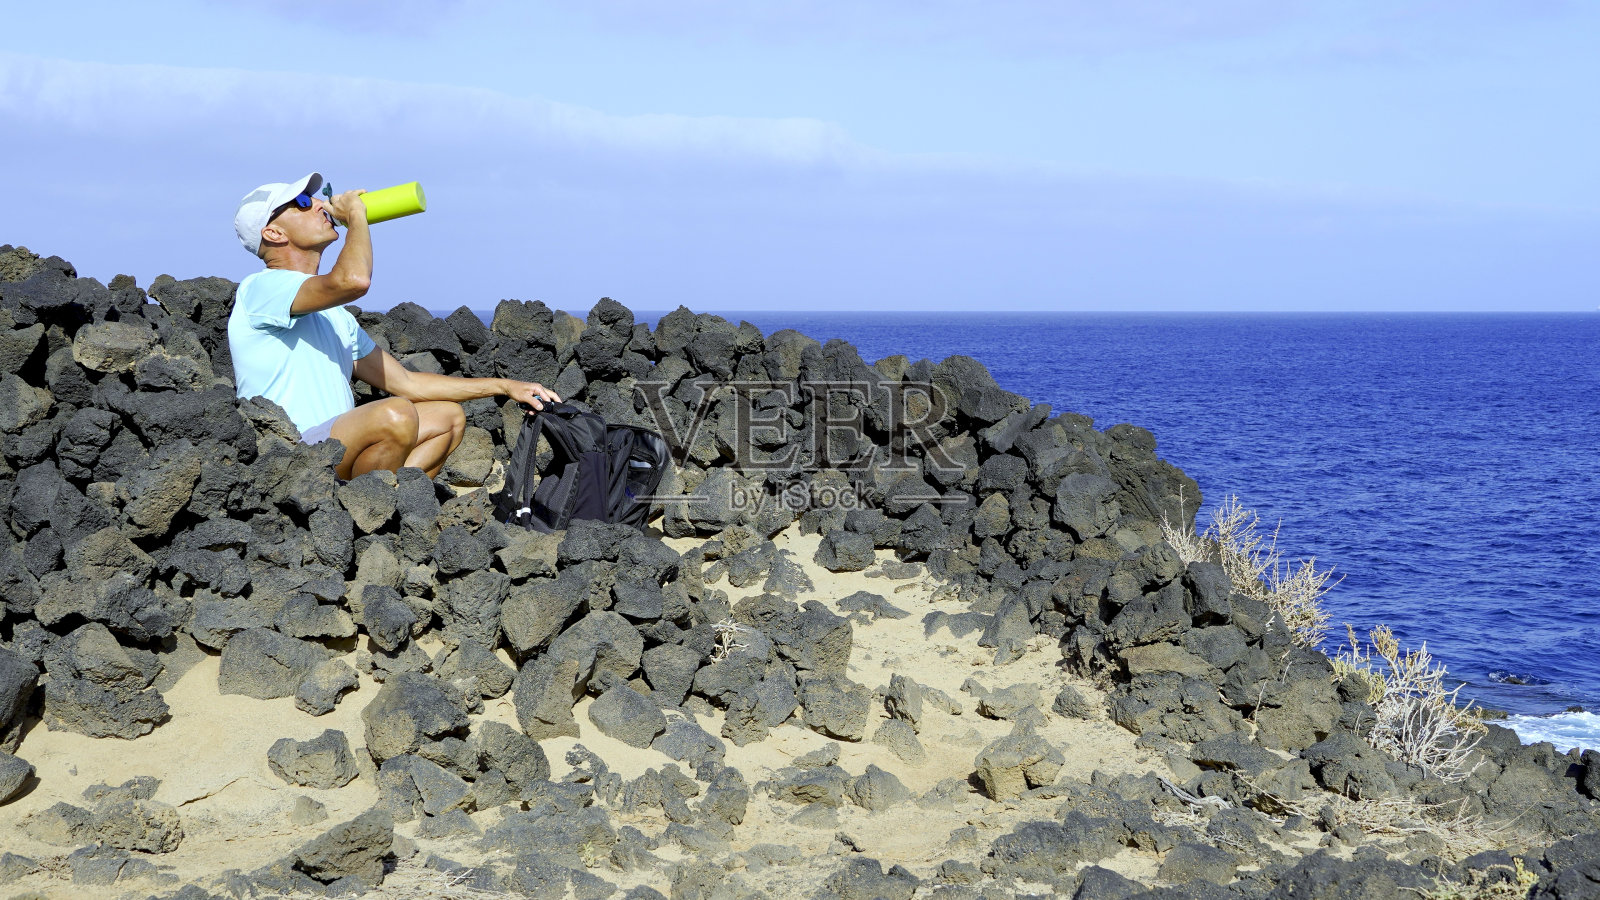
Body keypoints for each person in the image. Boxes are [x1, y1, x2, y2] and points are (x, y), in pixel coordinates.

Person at [229, 172, 559, 480]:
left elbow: (407, 382)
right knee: (396, 414)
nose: (318, 203)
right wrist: (357, 215)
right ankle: (370, 502)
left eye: (315, 197)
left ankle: (384, 502)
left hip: (333, 452)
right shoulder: (261, 289)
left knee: (448, 418)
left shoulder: (334, 316)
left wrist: (506, 386)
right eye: (302, 203)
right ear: (273, 233)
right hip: (288, 458)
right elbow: (353, 280)